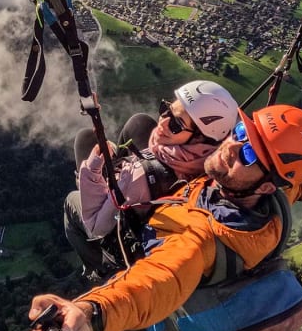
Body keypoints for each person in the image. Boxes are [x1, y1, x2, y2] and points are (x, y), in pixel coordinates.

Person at [29, 105, 302, 331]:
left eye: (250, 154)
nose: (233, 146)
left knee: (73, 203)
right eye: (243, 132)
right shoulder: (275, 193)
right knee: (139, 125)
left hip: (141, 265)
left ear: (266, 183)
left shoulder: (199, 239)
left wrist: (90, 313)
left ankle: (100, 269)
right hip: (175, 208)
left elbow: (157, 281)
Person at [67, 80, 239, 279]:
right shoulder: (223, 162)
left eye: (176, 124)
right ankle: (117, 175)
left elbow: (96, 226)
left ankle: (99, 270)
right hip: (159, 188)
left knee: (73, 195)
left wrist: (94, 168)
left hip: (128, 226)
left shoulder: (136, 180)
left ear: (200, 138)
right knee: (138, 123)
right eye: (166, 109)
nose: (163, 121)